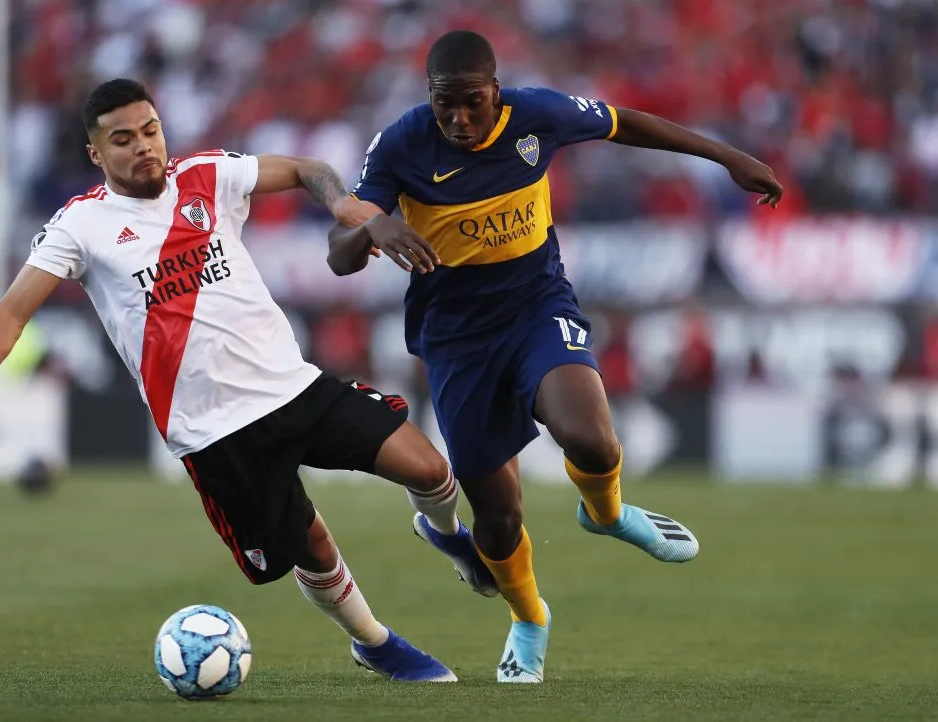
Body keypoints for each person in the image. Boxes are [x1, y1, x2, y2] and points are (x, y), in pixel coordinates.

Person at [0, 78, 494, 683]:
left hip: (292, 386)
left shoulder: (208, 174)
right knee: (313, 550)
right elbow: (12, 309)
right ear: (97, 154)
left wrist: (342, 205)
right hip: (213, 432)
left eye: (150, 130)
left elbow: (309, 167)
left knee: (431, 469)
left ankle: (446, 534)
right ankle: (375, 643)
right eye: (123, 140)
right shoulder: (81, 226)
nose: (144, 146)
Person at [328, 30, 785, 683]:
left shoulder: (537, 114)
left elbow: (628, 125)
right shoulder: (402, 144)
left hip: (536, 307)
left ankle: (607, 514)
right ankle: (530, 619)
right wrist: (370, 227)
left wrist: (728, 158)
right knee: (498, 517)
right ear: (428, 99)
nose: (458, 118)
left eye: (472, 102)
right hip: (457, 341)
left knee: (591, 440)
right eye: (444, 104)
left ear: (495, 90)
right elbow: (336, 254)